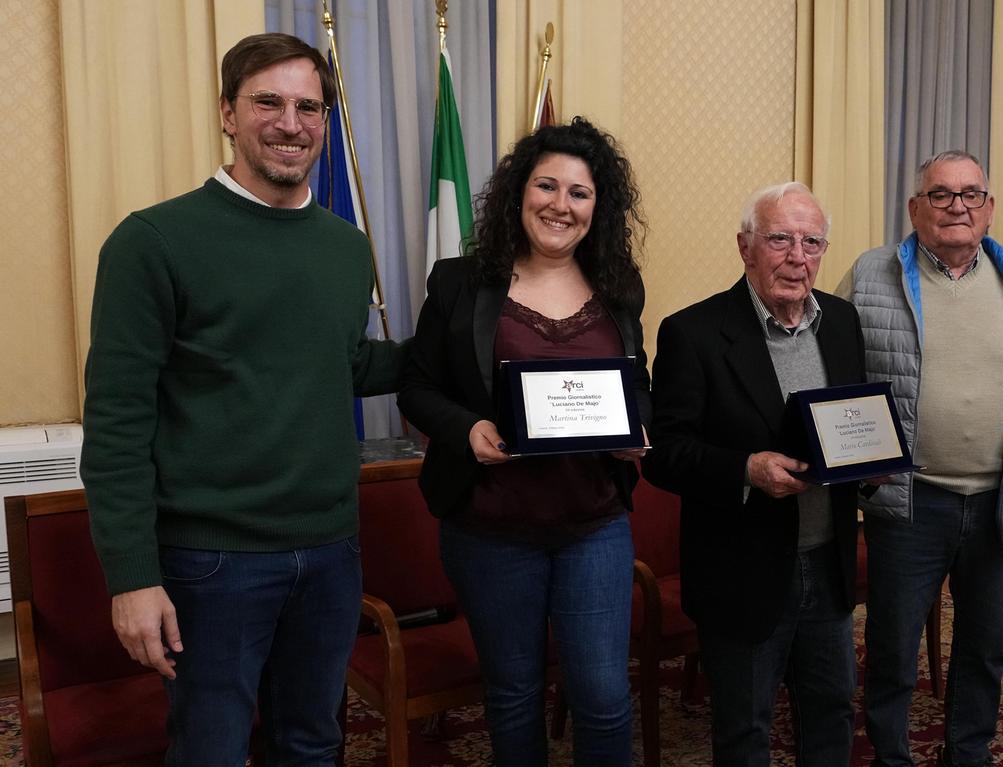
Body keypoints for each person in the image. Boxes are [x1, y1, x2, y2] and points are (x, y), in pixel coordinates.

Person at [80, 33, 407, 764]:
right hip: (211, 561)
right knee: (211, 749)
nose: (291, 123)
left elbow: (343, 363)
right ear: (228, 113)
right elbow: (116, 424)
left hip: (330, 550)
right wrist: (133, 577)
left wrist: (470, 349)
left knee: (314, 742)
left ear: (324, 120)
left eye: (309, 107)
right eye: (269, 102)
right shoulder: (152, 242)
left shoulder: (344, 247)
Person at [397, 117, 649, 767]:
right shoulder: (459, 283)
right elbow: (416, 386)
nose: (560, 204)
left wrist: (637, 432)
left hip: (593, 525)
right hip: (489, 529)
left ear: (599, 207)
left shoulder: (620, 288)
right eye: (546, 185)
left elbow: (636, 383)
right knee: (512, 694)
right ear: (517, 193)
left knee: (602, 693)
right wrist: (465, 428)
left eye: (579, 192)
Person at [835, 150, 1003, 767]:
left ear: (989, 208)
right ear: (915, 208)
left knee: (985, 646)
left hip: (997, 502)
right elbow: (838, 371)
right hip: (910, 500)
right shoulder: (873, 272)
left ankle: (969, 753)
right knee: (893, 646)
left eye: (970, 194)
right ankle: (891, 755)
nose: (957, 205)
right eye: (941, 194)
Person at [643, 182, 864, 767]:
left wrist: (868, 468)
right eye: (780, 239)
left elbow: (848, 426)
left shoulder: (842, 322)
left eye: (812, 241)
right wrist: (745, 469)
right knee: (745, 730)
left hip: (827, 557)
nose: (798, 256)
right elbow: (664, 453)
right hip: (742, 569)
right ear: (745, 246)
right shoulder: (692, 333)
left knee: (832, 709)